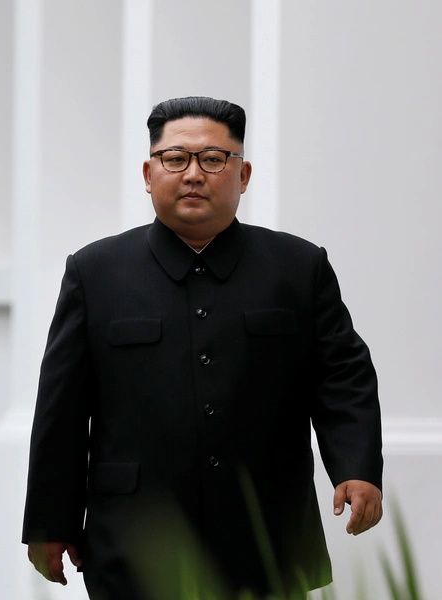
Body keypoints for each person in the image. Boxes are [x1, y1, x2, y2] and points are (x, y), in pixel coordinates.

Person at [22, 96, 382, 599]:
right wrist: (49, 520)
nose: (193, 174)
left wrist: (357, 469)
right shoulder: (95, 272)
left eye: (213, 159)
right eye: (175, 159)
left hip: (266, 538)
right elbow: (61, 408)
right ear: (149, 173)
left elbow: (343, 375)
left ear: (244, 174)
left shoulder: (298, 268)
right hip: (134, 537)